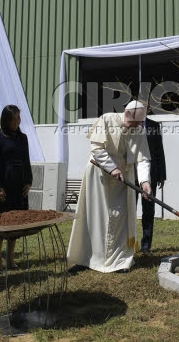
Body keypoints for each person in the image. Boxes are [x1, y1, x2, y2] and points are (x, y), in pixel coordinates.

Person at [66, 100, 152, 273]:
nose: (134, 127)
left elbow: (142, 159)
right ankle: (86, 258)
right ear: (127, 114)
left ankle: (120, 261)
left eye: (137, 124)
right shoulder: (107, 119)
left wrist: (145, 181)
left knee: (120, 217)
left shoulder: (139, 130)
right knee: (93, 217)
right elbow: (96, 148)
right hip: (98, 177)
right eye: (132, 123)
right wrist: (112, 168)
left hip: (123, 179)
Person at [0, 105, 32, 271]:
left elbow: (27, 160)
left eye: (18, 118)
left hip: (19, 184)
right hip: (4, 186)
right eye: (14, 119)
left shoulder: (23, 138)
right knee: (1, 223)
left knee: (15, 223)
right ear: (5, 120)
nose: (17, 122)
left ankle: (10, 257)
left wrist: (28, 181)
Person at [136, 114, 167, 254]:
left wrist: (162, 175)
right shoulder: (128, 125)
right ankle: (127, 244)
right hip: (131, 174)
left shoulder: (154, 125)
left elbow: (159, 151)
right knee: (128, 210)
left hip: (151, 175)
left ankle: (146, 246)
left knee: (148, 211)